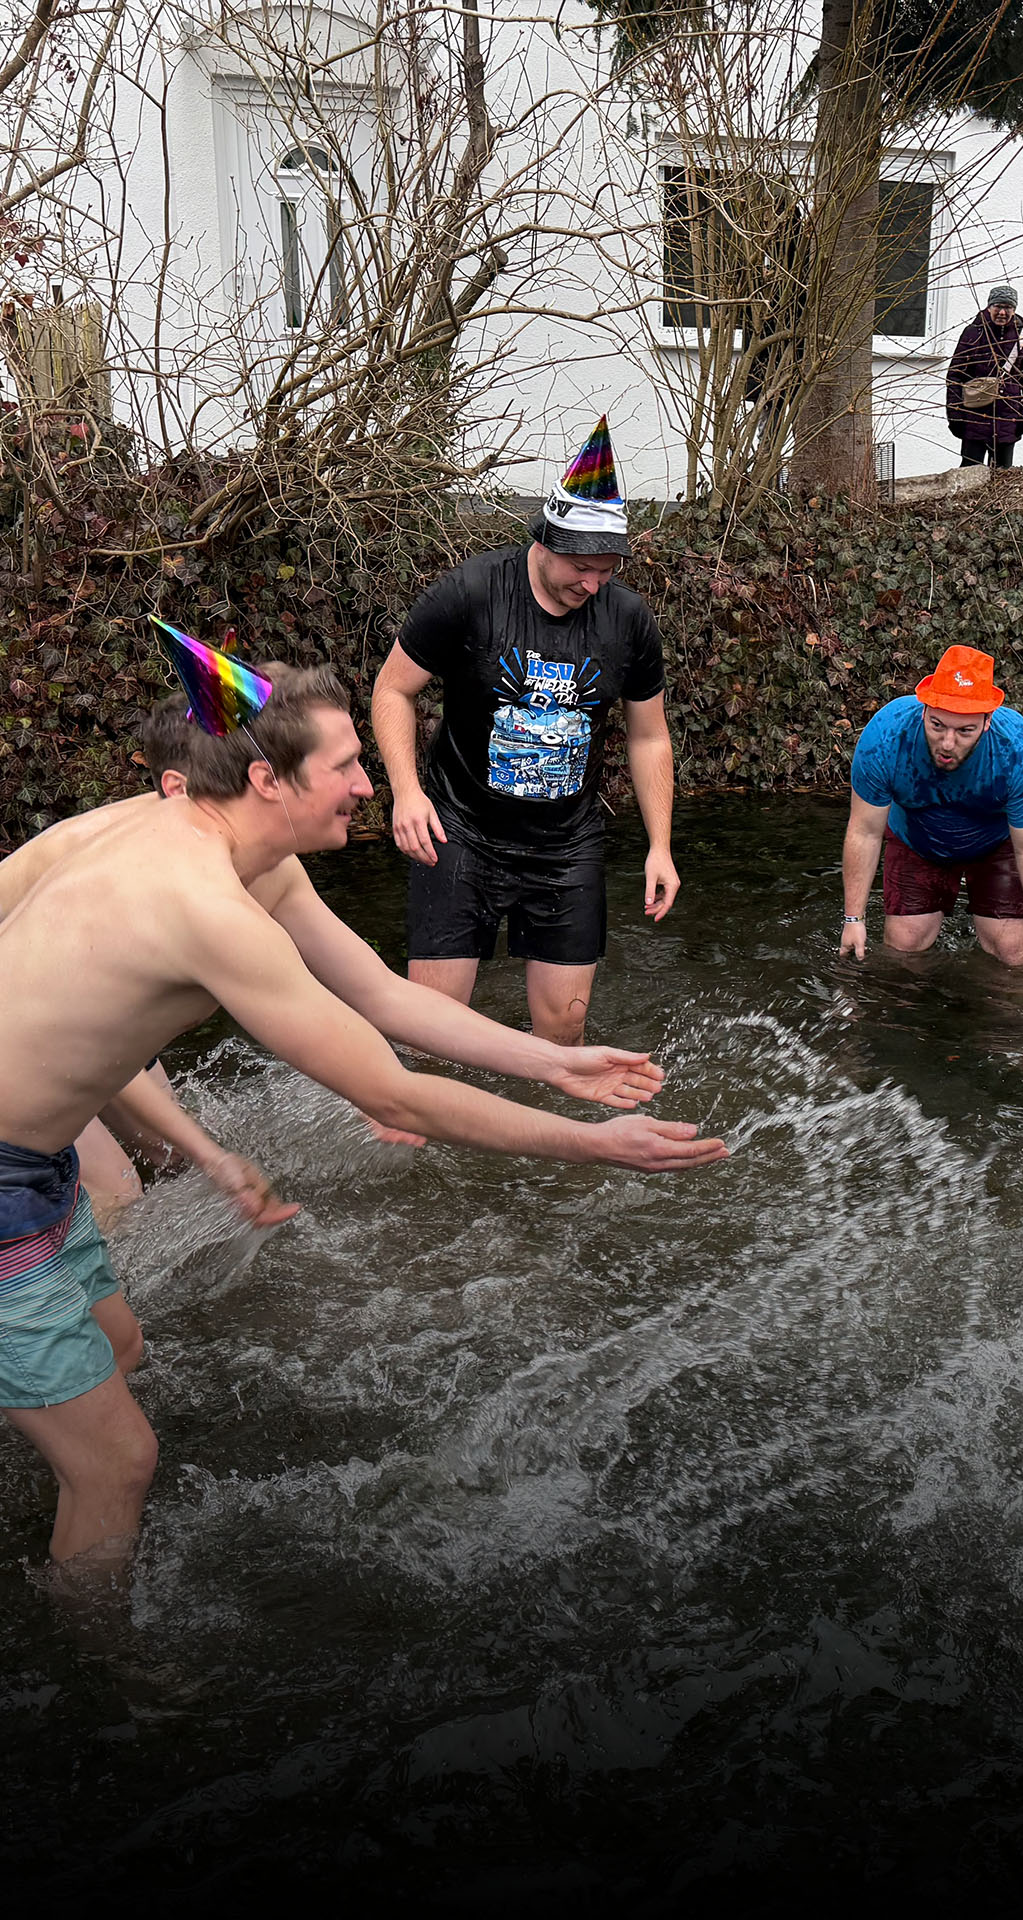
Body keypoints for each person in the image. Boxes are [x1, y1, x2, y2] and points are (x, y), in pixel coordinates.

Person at [0, 640, 726, 1577]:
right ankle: (102, 1695)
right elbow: (390, 1091)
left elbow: (382, 997)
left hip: (36, 1160)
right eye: (346, 766)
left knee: (122, 1346)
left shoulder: (193, 837)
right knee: (118, 1467)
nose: (367, 786)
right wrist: (594, 1144)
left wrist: (553, 1061)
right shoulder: (205, 906)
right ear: (268, 778)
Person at [370, 414, 680, 1046]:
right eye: (582, 568)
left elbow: (650, 736)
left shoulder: (626, 620)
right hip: (457, 828)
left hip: (566, 844)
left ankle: (542, 1140)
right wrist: (406, 791)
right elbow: (393, 689)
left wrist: (660, 846)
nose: (593, 584)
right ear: (545, 540)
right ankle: (433, 1134)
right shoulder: (472, 593)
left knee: (565, 1031)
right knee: (431, 1031)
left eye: (608, 569)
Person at [0, 799, 297, 1234]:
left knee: (169, 1153)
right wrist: (212, 1156)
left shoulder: (193, 831)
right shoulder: (116, 873)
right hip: (26, 1038)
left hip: (62, 1006)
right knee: (118, 1194)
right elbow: (95, 1056)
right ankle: (81, 1290)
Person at [839, 645, 1023, 979]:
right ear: (924, 710)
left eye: (965, 731)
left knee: (1014, 954)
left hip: (995, 843)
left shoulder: (1019, 752)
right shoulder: (886, 737)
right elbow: (865, 831)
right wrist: (853, 920)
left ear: (988, 721)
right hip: (917, 839)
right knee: (904, 948)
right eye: (937, 725)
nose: (948, 742)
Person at [946, 283, 1023, 470]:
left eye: (1008, 307)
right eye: (998, 306)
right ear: (989, 307)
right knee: (969, 477)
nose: (1002, 312)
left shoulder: (1022, 337)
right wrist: (955, 416)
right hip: (973, 419)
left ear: (1014, 309)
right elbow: (955, 376)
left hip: (1007, 420)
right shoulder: (973, 333)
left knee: (1001, 480)